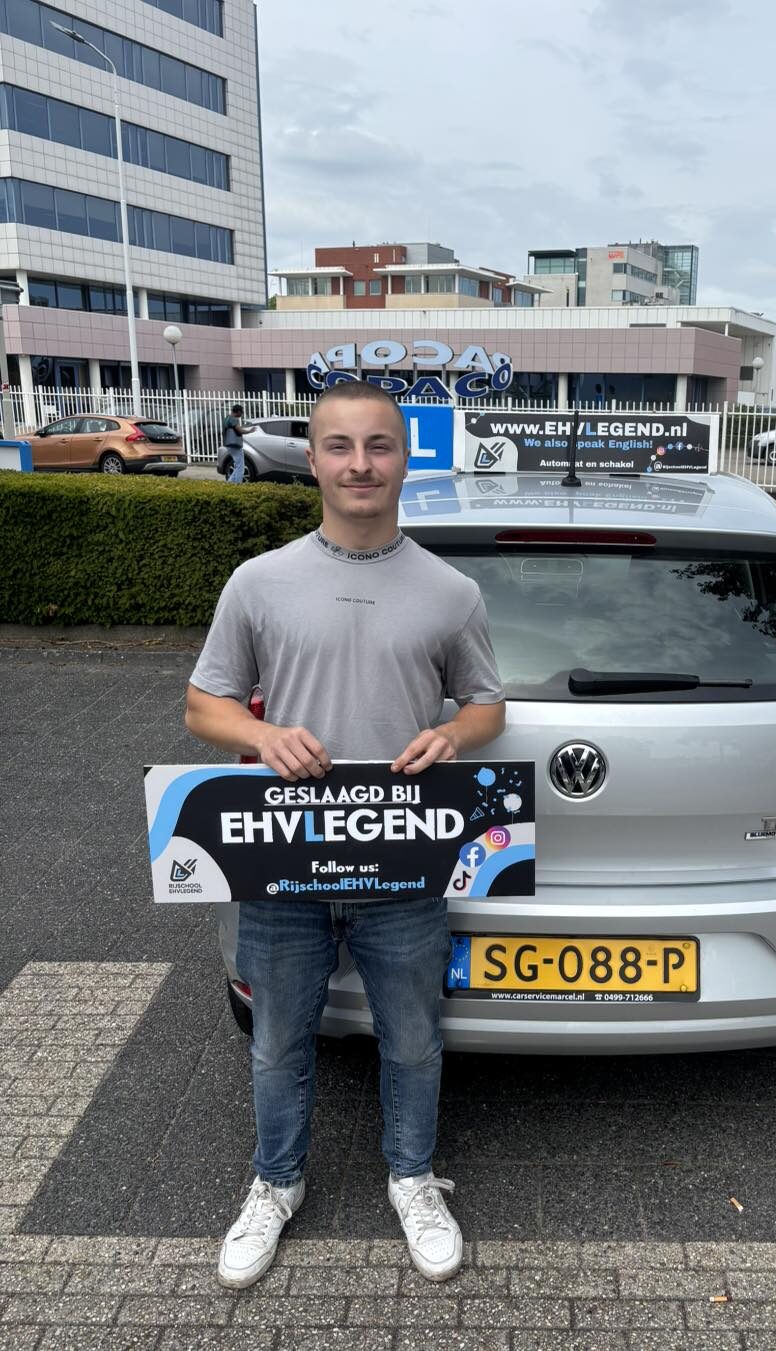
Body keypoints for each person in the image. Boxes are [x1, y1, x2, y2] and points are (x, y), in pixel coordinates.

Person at [185, 381, 506, 1290]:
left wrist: (454, 735)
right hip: (284, 860)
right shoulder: (259, 581)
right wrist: (260, 735)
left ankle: (412, 1179)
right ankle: (275, 1182)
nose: (359, 464)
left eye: (378, 445)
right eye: (339, 445)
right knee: (278, 1042)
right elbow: (203, 705)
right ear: (313, 458)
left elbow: (488, 705)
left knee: (413, 1040)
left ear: (405, 458)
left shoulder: (450, 591)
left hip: (403, 859)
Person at [223, 404, 251, 483]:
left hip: (229, 444)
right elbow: (240, 430)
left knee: (237, 466)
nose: (242, 414)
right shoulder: (233, 419)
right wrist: (250, 431)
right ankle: (238, 484)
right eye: (241, 412)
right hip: (235, 445)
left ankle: (230, 483)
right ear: (238, 411)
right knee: (240, 467)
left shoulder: (227, 418)